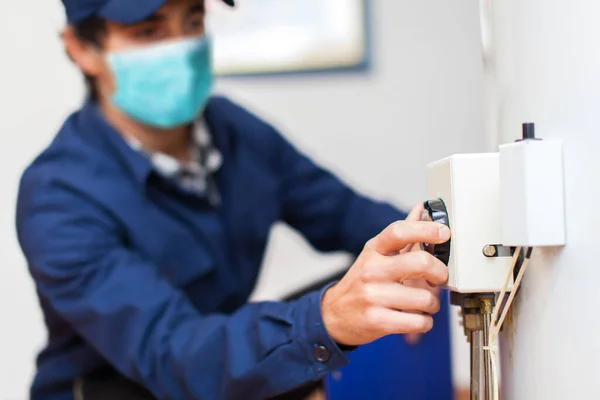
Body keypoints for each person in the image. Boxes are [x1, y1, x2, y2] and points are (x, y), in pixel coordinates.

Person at [15, 0, 451, 399]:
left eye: (193, 22)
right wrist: (330, 319)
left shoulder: (236, 131)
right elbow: (173, 353)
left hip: (219, 368)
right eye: (148, 32)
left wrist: (434, 246)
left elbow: (347, 214)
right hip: (122, 386)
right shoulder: (58, 196)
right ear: (82, 48)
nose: (182, 48)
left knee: (375, 278)